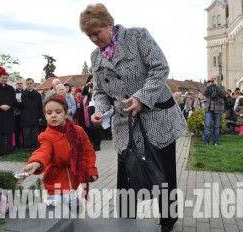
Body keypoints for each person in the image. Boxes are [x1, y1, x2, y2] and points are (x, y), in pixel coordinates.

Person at [79, 4, 186, 231]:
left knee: (164, 171)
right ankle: (125, 222)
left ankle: (168, 220)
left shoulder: (138, 36)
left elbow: (160, 68)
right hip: (124, 124)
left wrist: (141, 98)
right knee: (126, 173)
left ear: (110, 25)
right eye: (89, 35)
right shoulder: (95, 57)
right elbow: (99, 90)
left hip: (157, 118)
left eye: (96, 32)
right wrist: (100, 109)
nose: (93, 39)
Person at [17, 94, 98, 208]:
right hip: (54, 184)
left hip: (73, 182)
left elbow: (88, 152)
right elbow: (44, 152)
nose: (53, 115)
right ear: (45, 115)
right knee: (57, 214)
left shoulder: (78, 131)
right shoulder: (46, 136)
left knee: (74, 212)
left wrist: (90, 170)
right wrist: (36, 163)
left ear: (66, 114)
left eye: (58, 112)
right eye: (49, 113)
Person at [20, 78, 44, 152]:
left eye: (30, 83)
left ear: (33, 84)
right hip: (25, 116)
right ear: (26, 84)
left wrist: (40, 116)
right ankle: (26, 146)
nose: (29, 85)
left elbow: (40, 106)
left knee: (34, 133)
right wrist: (18, 102)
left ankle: (33, 146)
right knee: (26, 133)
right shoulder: (22, 94)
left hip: (35, 116)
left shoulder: (37, 94)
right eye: (27, 83)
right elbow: (19, 107)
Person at [203, 74, 226, 145]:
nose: (212, 79)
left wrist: (217, 86)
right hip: (209, 109)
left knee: (216, 127)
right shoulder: (208, 86)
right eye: (211, 78)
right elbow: (205, 94)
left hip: (218, 109)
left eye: (214, 78)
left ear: (217, 79)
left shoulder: (221, 86)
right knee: (207, 126)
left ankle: (216, 142)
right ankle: (206, 142)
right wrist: (207, 86)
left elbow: (223, 94)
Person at [14, 80, 24, 149]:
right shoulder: (13, 93)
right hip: (16, 114)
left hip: (25, 114)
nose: (19, 84)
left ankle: (24, 144)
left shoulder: (25, 92)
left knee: (24, 130)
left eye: (20, 83)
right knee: (16, 130)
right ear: (16, 85)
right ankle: (17, 144)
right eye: (18, 83)